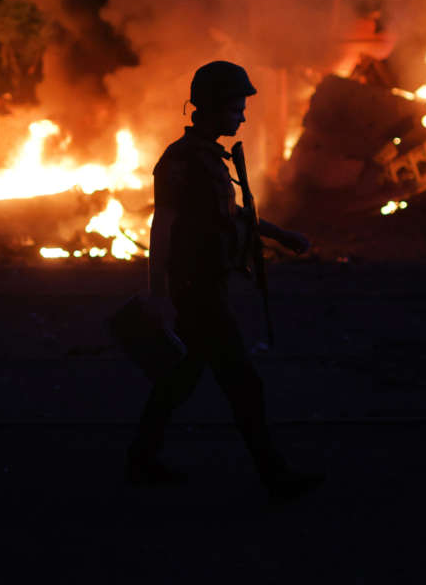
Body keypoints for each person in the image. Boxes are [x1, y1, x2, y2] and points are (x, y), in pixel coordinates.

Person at [127, 60, 324, 501]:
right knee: (243, 383)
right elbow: (164, 227)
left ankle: (140, 461)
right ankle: (274, 475)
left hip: (206, 287)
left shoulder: (209, 160)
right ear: (213, 107)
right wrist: (160, 295)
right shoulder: (181, 161)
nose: (242, 116)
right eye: (236, 107)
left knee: (179, 379)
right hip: (195, 294)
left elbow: (229, 214)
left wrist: (280, 236)